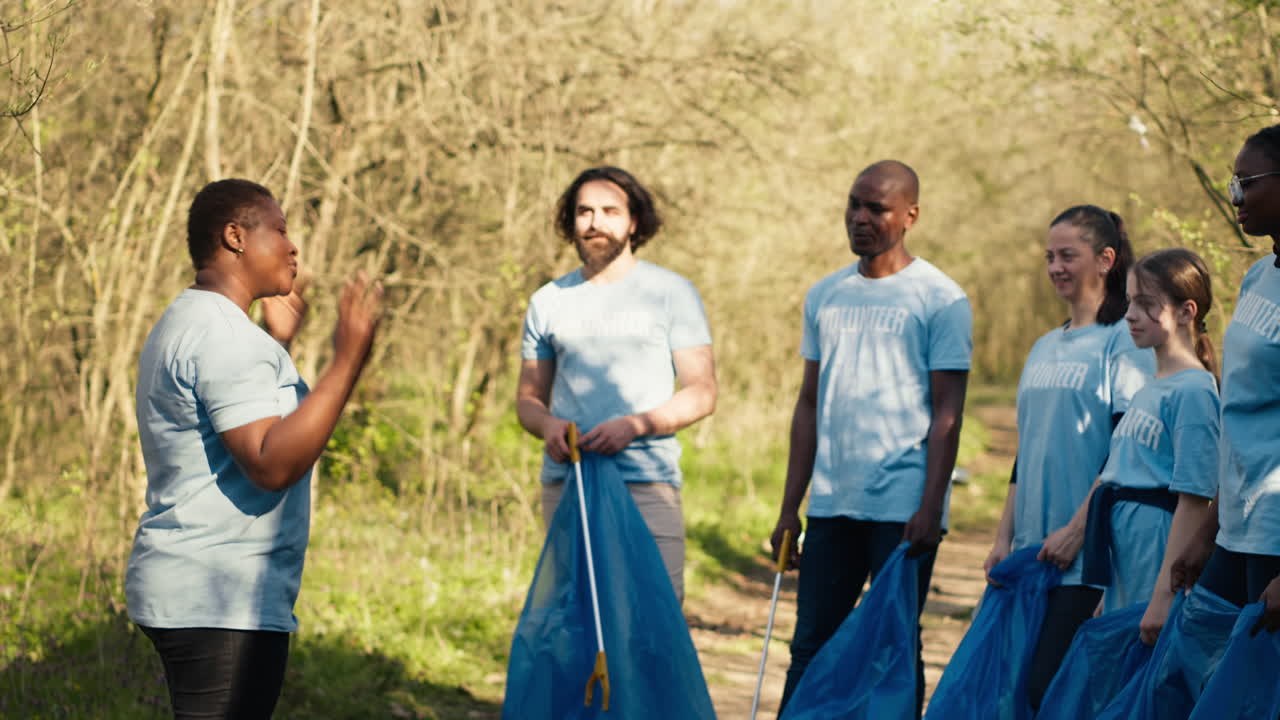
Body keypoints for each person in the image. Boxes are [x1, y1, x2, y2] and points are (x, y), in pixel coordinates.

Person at [126, 179, 381, 719]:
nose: (293, 247)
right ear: (235, 236)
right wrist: (348, 357)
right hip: (220, 595)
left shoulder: (193, 319)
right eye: (281, 230)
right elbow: (270, 461)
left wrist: (281, 344)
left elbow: (239, 425)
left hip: (198, 587)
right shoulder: (225, 336)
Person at [770, 160, 972, 716]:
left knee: (893, 648)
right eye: (854, 205)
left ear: (910, 215)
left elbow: (948, 412)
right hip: (833, 503)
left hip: (903, 509)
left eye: (876, 208)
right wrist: (791, 507)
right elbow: (809, 403)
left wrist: (931, 506)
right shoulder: (825, 296)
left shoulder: (940, 298)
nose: (860, 218)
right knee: (810, 646)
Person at [516, 165, 717, 603]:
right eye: (584, 212)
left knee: (653, 623)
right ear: (571, 223)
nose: (595, 222)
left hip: (647, 481)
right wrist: (548, 427)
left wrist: (636, 425)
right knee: (573, 623)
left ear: (634, 222)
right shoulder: (548, 302)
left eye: (609, 211)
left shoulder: (672, 293)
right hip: (569, 485)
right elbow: (529, 399)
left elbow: (703, 392)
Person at [983, 205, 1154, 710]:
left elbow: (1128, 450)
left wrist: (1078, 529)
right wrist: (1002, 536)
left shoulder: (1125, 342)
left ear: (1105, 259)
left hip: (1088, 557)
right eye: (1049, 257)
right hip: (1033, 555)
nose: (1055, 267)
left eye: (1067, 256)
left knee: (1054, 692)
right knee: (1017, 691)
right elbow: (1027, 448)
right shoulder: (1042, 347)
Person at [1078, 249, 1219, 647]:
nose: (1130, 315)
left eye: (1146, 304)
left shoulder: (1194, 392)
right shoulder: (1150, 388)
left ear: (1186, 312)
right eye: (1129, 302)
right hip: (1127, 550)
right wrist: (1111, 592)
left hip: (1156, 543)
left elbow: (1194, 499)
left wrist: (1162, 597)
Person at [1170, 125, 1280, 634]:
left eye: (1246, 182)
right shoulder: (1260, 276)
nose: (1233, 195)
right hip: (1237, 527)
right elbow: (1241, 422)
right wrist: (1209, 531)